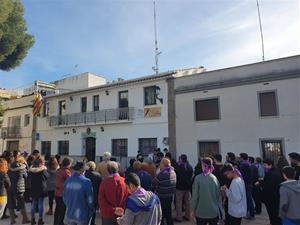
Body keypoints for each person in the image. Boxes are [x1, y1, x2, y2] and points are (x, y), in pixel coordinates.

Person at [191, 157, 224, 225]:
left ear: (204, 166)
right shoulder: (215, 178)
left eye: (202, 165)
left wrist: (193, 210)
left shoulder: (198, 179)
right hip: (213, 212)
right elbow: (219, 197)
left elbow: (195, 197)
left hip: (201, 212)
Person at [98, 161, 128, 225]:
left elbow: (101, 200)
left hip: (108, 215)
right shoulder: (125, 181)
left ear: (108, 170)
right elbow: (129, 197)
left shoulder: (104, 183)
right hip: (122, 214)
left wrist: (113, 210)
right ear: (118, 169)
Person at [256, 158, 282, 225]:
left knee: (273, 214)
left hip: (272, 198)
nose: (264, 166)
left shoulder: (272, 174)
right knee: (272, 214)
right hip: (273, 198)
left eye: (265, 165)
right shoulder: (273, 171)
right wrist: (261, 182)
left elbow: (268, 187)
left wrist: (261, 184)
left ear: (270, 165)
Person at [8, 152, 31, 224]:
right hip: (19, 188)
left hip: (10, 187)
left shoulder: (9, 167)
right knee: (21, 203)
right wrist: (26, 165)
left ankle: (12, 220)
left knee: (10, 203)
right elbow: (27, 177)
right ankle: (25, 218)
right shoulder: (22, 168)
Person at [152, 158, 176, 225]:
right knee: (168, 214)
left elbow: (153, 184)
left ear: (163, 165)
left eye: (160, 164)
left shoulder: (161, 175)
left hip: (161, 197)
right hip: (170, 196)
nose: (160, 166)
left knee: (161, 215)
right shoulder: (173, 172)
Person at [28, 155, 48, 225]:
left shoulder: (31, 170)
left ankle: (33, 219)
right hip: (41, 188)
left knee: (33, 203)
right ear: (42, 162)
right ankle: (40, 219)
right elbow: (47, 177)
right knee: (41, 204)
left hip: (33, 188)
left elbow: (29, 178)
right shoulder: (43, 170)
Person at [54, 157, 73, 225]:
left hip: (56, 192)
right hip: (63, 193)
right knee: (62, 209)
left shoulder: (58, 170)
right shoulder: (66, 171)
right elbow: (70, 182)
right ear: (68, 164)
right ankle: (60, 222)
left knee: (57, 208)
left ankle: (56, 222)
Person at [174, 154, 193, 222]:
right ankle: (188, 216)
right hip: (187, 187)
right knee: (187, 202)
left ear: (181, 159)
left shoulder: (178, 167)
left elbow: (176, 176)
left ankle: (179, 217)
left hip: (179, 187)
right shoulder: (189, 167)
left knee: (179, 202)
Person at [85, 161, 102, 225]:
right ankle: (92, 223)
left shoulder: (85, 174)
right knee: (93, 211)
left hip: (85, 195)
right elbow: (100, 186)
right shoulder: (98, 175)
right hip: (94, 195)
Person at [238, 153, 254, 219]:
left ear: (242, 158)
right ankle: (248, 212)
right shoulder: (248, 164)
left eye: (240, 157)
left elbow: (243, 176)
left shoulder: (244, 165)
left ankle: (251, 214)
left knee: (248, 199)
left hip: (246, 184)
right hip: (248, 183)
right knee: (248, 199)